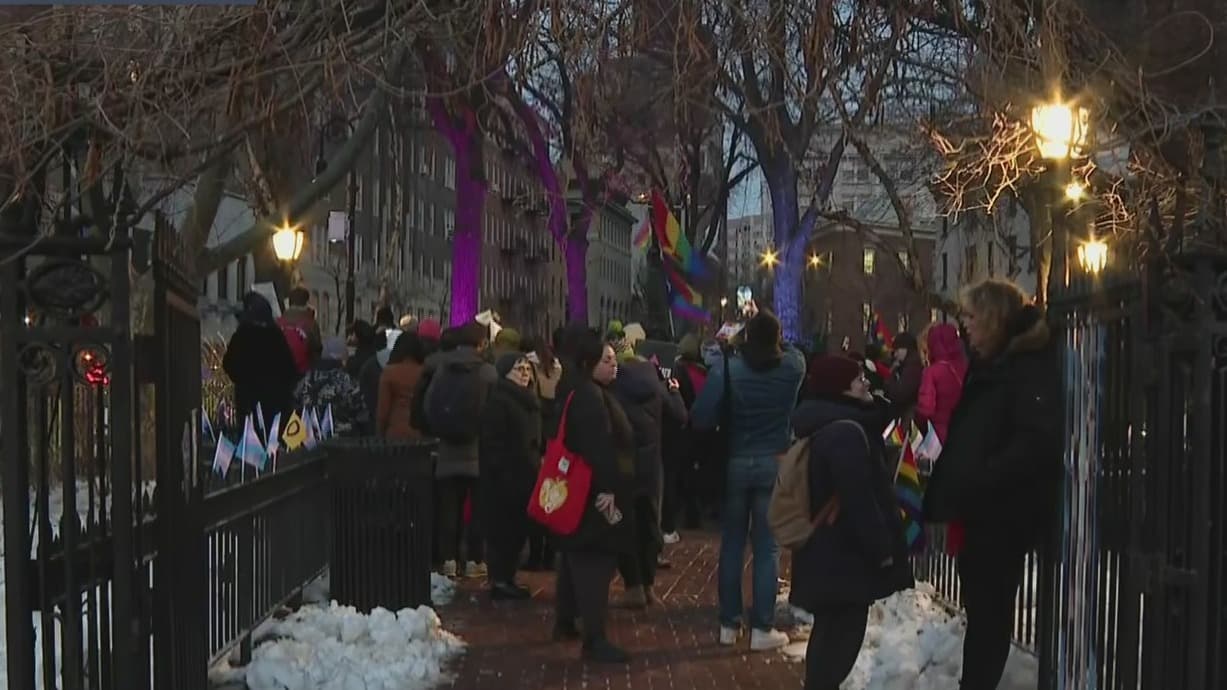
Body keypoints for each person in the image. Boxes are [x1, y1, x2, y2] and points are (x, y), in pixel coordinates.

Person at [923, 278, 1062, 690]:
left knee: (989, 616)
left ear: (992, 318)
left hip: (1002, 514)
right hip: (981, 511)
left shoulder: (1026, 367)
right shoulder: (991, 363)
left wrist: (981, 478)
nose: (964, 325)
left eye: (970, 316)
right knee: (982, 614)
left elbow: (1034, 441)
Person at [789, 355, 914, 690]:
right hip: (843, 556)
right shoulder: (845, 433)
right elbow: (859, 498)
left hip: (828, 553)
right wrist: (882, 550)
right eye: (858, 379)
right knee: (840, 642)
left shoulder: (829, 422)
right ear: (840, 388)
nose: (865, 383)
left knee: (829, 637)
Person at [690, 307, 806, 651]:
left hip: (736, 460)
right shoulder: (792, 368)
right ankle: (762, 628)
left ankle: (729, 624)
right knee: (767, 548)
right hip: (775, 460)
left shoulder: (729, 367)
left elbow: (701, 414)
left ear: (747, 337)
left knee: (732, 544)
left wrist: (734, 344)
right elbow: (796, 350)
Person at [549, 324, 635, 664]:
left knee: (574, 558)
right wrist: (609, 490)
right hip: (591, 493)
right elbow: (598, 449)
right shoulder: (589, 396)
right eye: (605, 359)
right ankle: (594, 637)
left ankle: (566, 621)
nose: (612, 365)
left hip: (579, 491)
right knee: (594, 561)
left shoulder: (577, 389)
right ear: (588, 362)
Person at [413, 321, 498, 579]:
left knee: (448, 507)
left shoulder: (441, 369)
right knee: (479, 509)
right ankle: (474, 559)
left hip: (447, 448)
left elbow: (428, 405)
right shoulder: (488, 373)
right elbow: (495, 412)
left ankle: (448, 559)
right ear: (481, 344)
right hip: (478, 449)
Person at [610, 346, 686, 609]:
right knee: (650, 524)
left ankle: (633, 585)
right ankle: (649, 584)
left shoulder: (615, 387)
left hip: (624, 463)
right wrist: (674, 390)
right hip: (652, 465)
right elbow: (680, 415)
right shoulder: (657, 386)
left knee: (626, 524)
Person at [479, 353, 542, 600]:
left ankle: (508, 576)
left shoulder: (528, 399)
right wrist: (504, 472)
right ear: (505, 373)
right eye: (518, 369)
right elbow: (493, 443)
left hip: (525, 475)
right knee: (504, 532)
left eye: (527, 367)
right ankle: (501, 579)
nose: (525, 372)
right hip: (506, 478)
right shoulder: (500, 400)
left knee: (517, 531)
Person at [223, 292, 300, 432]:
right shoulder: (276, 336)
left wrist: (242, 379)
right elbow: (290, 369)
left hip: (248, 399)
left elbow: (228, 364)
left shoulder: (242, 335)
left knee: (251, 440)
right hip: (276, 401)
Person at [523, 334, 563, 571]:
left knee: (535, 498)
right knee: (553, 496)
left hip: (536, 438)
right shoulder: (558, 369)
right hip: (554, 439)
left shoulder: (528, 368)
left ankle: (536, 552)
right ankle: (550, 551)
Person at [294, 336, 369, 435]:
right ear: (343, 357)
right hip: (340, 438)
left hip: (308, 435)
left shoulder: (307, 378)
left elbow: (295, 401)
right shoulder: (346, 380)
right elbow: (362, 408)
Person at [376, 331, 427, 440]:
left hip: (395, 432)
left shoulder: (389, 373)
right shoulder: (426, 372)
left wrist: (379, 434)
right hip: (421, 433)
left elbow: (383, 410)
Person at [885, 332, 924, 420]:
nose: (895, 354)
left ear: (906, 349)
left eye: (897, 350)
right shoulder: (910, 364)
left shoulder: (913, 367)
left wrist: (891, 376)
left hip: (910, 415)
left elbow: (900, 394)